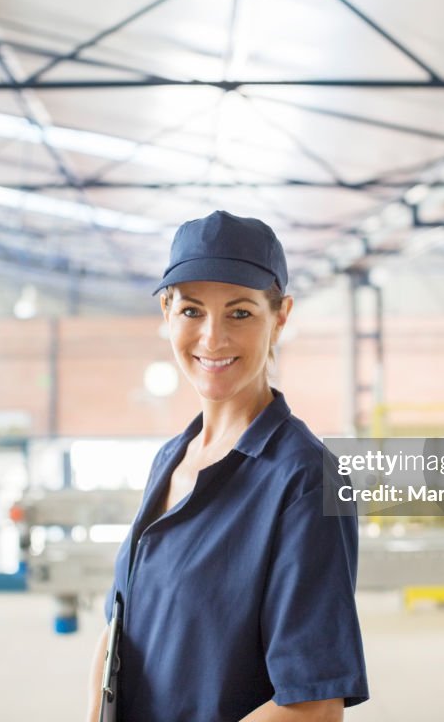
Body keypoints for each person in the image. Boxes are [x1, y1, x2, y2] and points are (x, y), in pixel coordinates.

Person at [86, 210, 368, 722]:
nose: (212, 339)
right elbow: (119, 632)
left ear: (280, 316)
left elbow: (313, 706)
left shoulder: (306, 481)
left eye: (239, 313)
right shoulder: (170, 458)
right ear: (167, 313)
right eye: (192, 311)